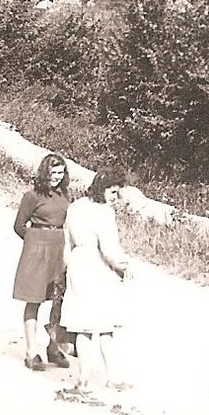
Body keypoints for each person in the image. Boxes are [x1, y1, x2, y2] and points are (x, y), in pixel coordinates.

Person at [61, 166, 132, 398]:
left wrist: (66, 268)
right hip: (97, 267)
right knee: (105, 326)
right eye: (113, 192)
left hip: (77, 265)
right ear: (102, 189)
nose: (115, 198)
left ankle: (83, 379)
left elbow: (67, 241)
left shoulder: (76, 206)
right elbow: (109, 249)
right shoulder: (104, 213)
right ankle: (113, 378)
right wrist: (123, 267)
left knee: (82, 326)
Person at [12, 152, 72, 371]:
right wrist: (34, 244)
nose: (56, 177)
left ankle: (53, 348)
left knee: (59, 300)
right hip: (37, 250)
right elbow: (19, 226)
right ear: (44, 172)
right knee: (34, 300)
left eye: (60, 172)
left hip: (59, 248)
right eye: (52, 172)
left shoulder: (64, 195)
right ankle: (31, 351)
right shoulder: (32, 196)